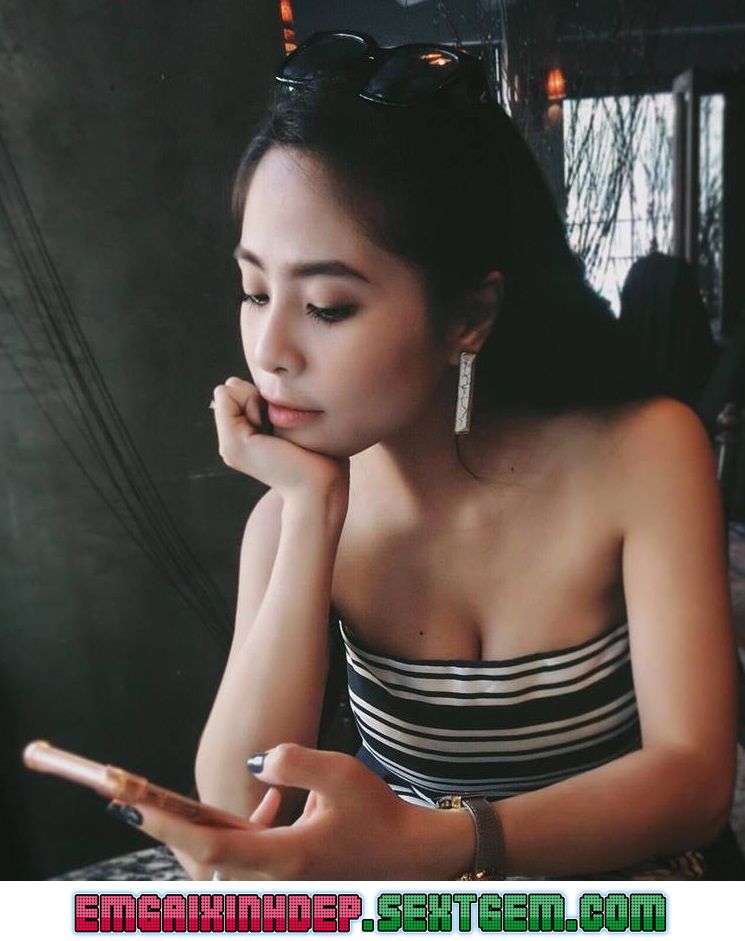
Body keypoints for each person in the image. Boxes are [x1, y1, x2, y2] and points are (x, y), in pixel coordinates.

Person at [106, 32, 740, 879]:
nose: (270, 350)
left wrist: (437, 841)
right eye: (255, 291)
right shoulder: (289, 518)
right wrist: (310, 512)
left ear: (468, 317)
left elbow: (695, 781)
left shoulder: (643, 452)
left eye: (327, 305)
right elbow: (233, 816)